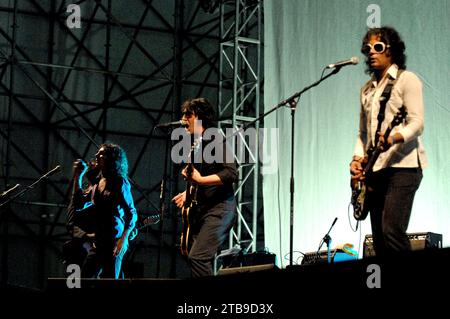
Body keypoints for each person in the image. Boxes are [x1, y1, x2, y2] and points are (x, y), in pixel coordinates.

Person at [350, 27, 427, 257]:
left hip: (405, 167)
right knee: (380, 240)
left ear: (391, 50)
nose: (371, 53)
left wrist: (394, 138)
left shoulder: (407, 79)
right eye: (368, 48)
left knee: (392, 231)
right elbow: (363, 133)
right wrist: (356, 159)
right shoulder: (366, 90)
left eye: (378, 47)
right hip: (376, 169)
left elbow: (417, 123)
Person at [172, 97, 238, 277]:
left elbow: (231, 173)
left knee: (198, 257)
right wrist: (189, 192)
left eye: (188, 115)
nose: (184, 119)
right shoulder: (198, 143)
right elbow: (202, 177)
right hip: (204, 210)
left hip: (220, 210)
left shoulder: (215, 138)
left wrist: (199, 180)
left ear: (200, 117)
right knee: (192, 255)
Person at [68, 143, 137, 278]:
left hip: (114, 243)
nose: (96, 156)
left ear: (111, 159)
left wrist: (123, 240)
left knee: (109, 283)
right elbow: (79, 203)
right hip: (99, 242)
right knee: (84, 280)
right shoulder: (98, 182)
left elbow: (132, 213)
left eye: (101, 154)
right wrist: (78, 177)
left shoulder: (119, 182)